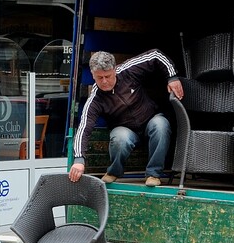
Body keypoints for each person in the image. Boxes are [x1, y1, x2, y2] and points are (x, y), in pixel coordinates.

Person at [68, 49, 184, 187]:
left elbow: (156, 55)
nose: (104, 81)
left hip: (150, 120)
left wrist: (172, 77)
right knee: (119, 137)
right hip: (125, 130)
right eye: (99, 77)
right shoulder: (95, 99)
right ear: (92, 75)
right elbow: (83, 128)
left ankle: (154, 174)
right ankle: (114, 172)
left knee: (161, 125)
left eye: (108, 76)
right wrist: (79, 159)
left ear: (115, 70)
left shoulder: (128, 70)